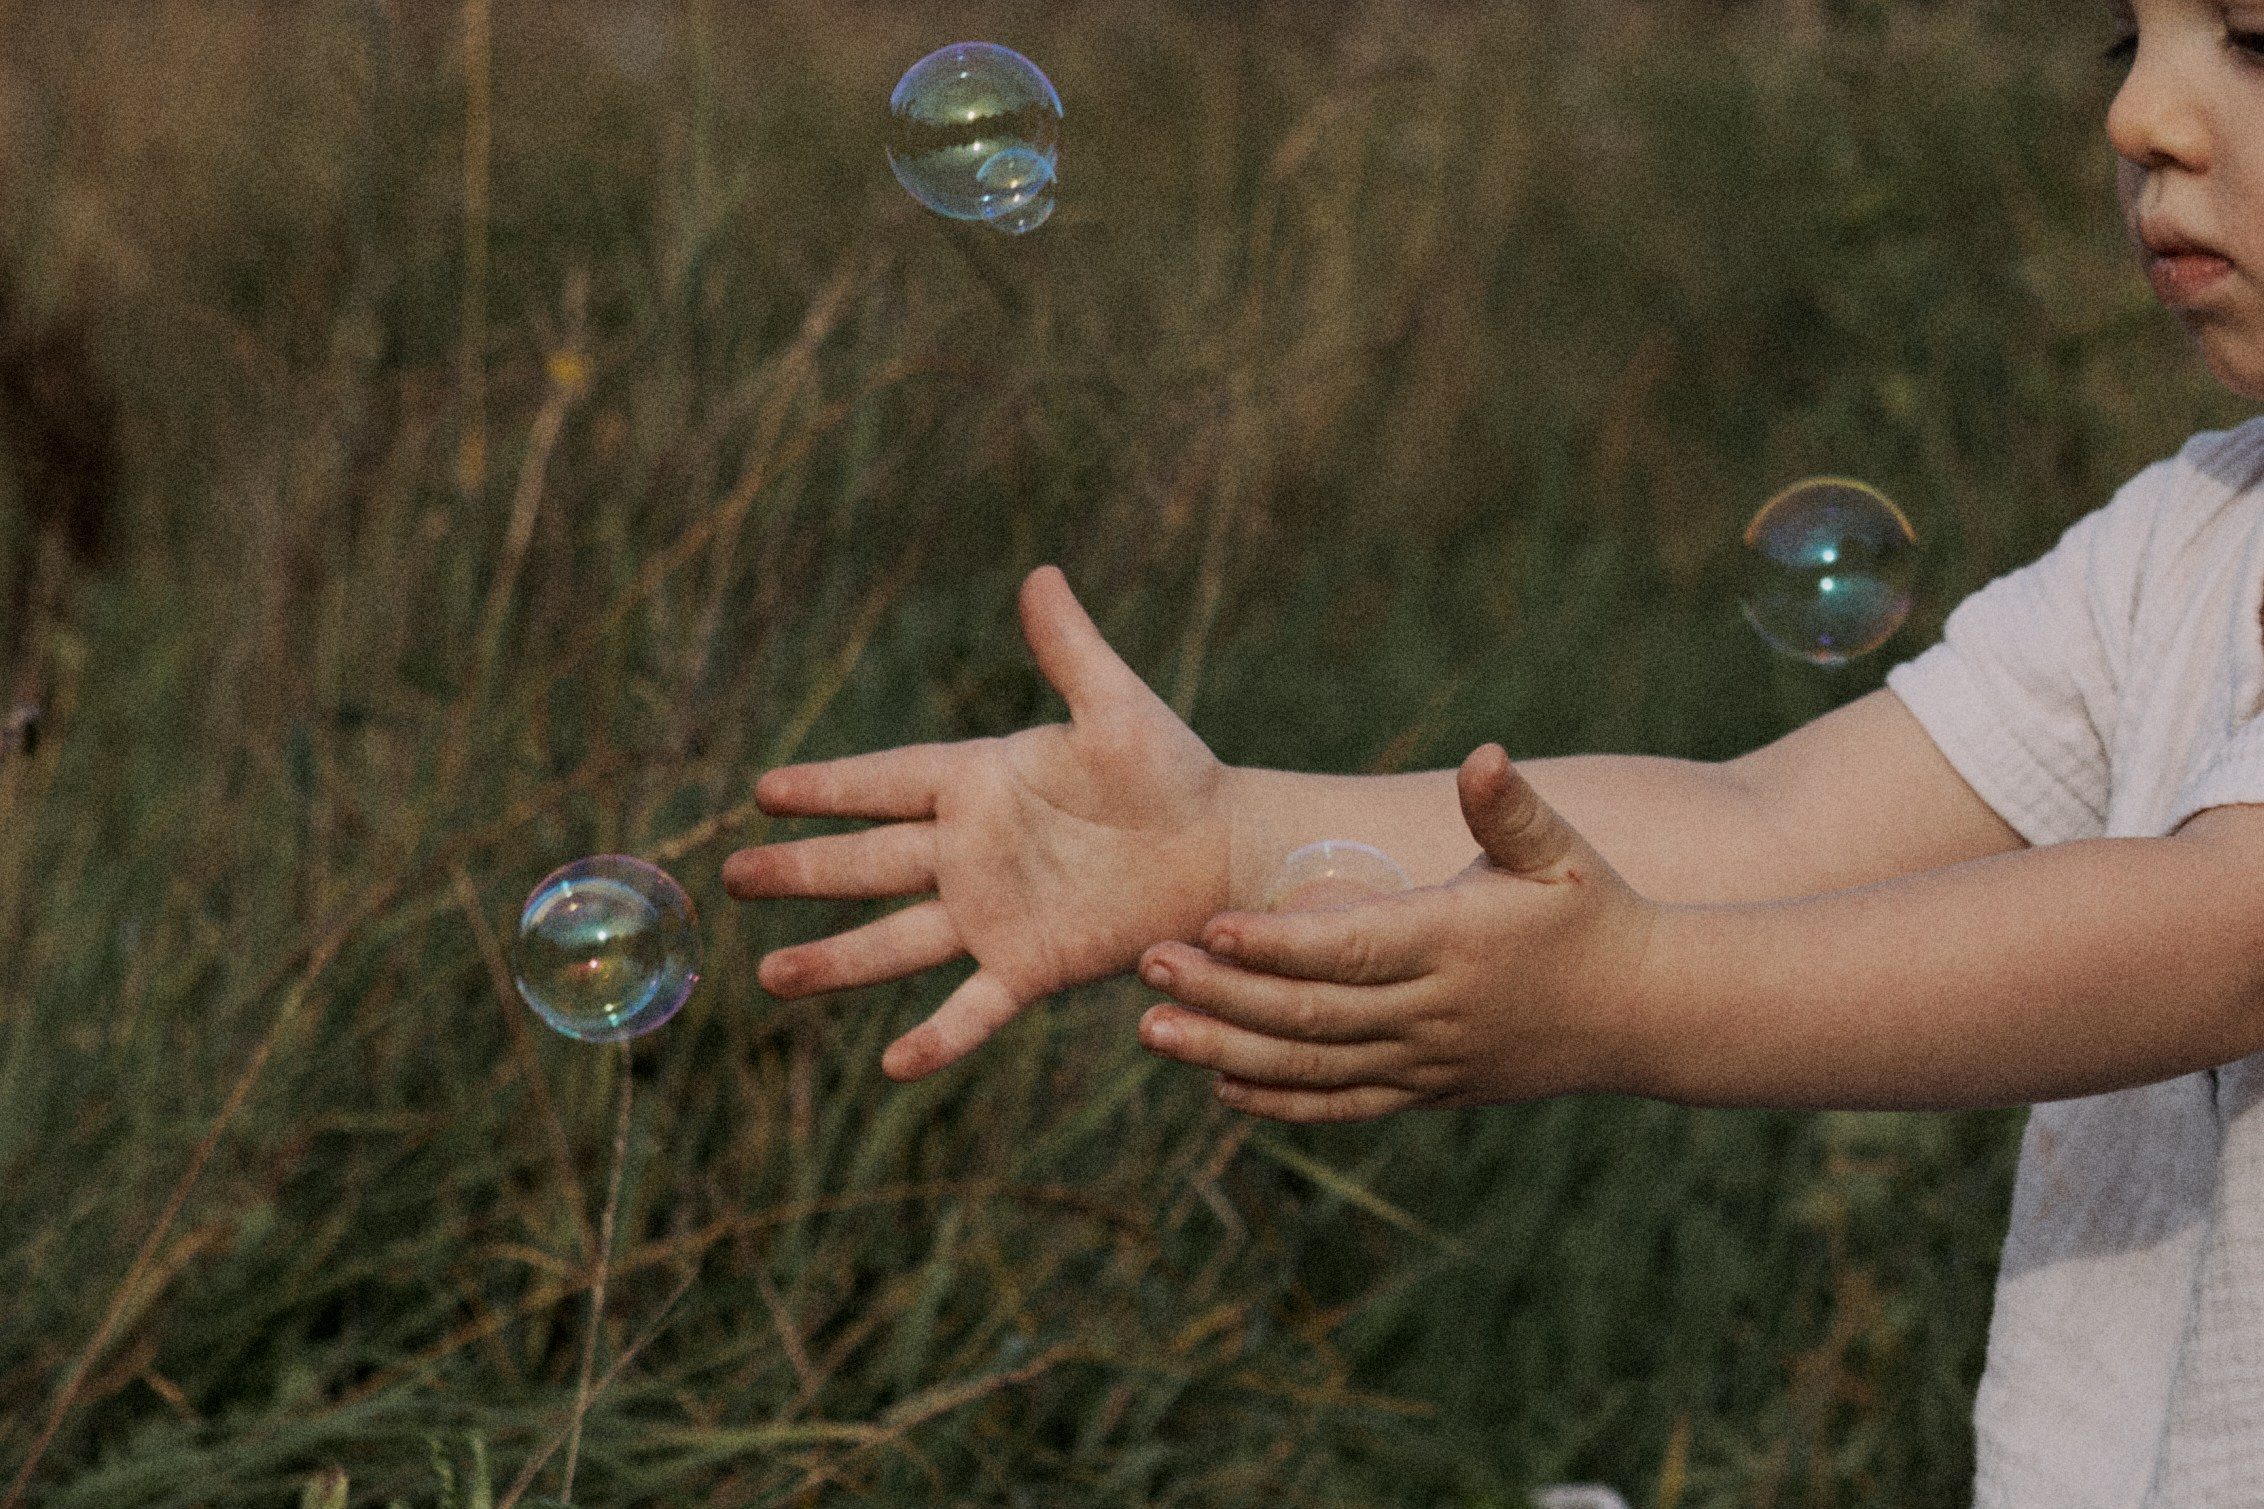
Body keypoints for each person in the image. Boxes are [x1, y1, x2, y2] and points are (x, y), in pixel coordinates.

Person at [725, 2, 2264, 1502]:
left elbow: (2220, 935)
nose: (2140, 118)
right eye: (2129, 42)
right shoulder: (2188, 541)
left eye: (2254, 40)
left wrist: (1635, 996)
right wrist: (1229, 837)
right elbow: (1776, 819)